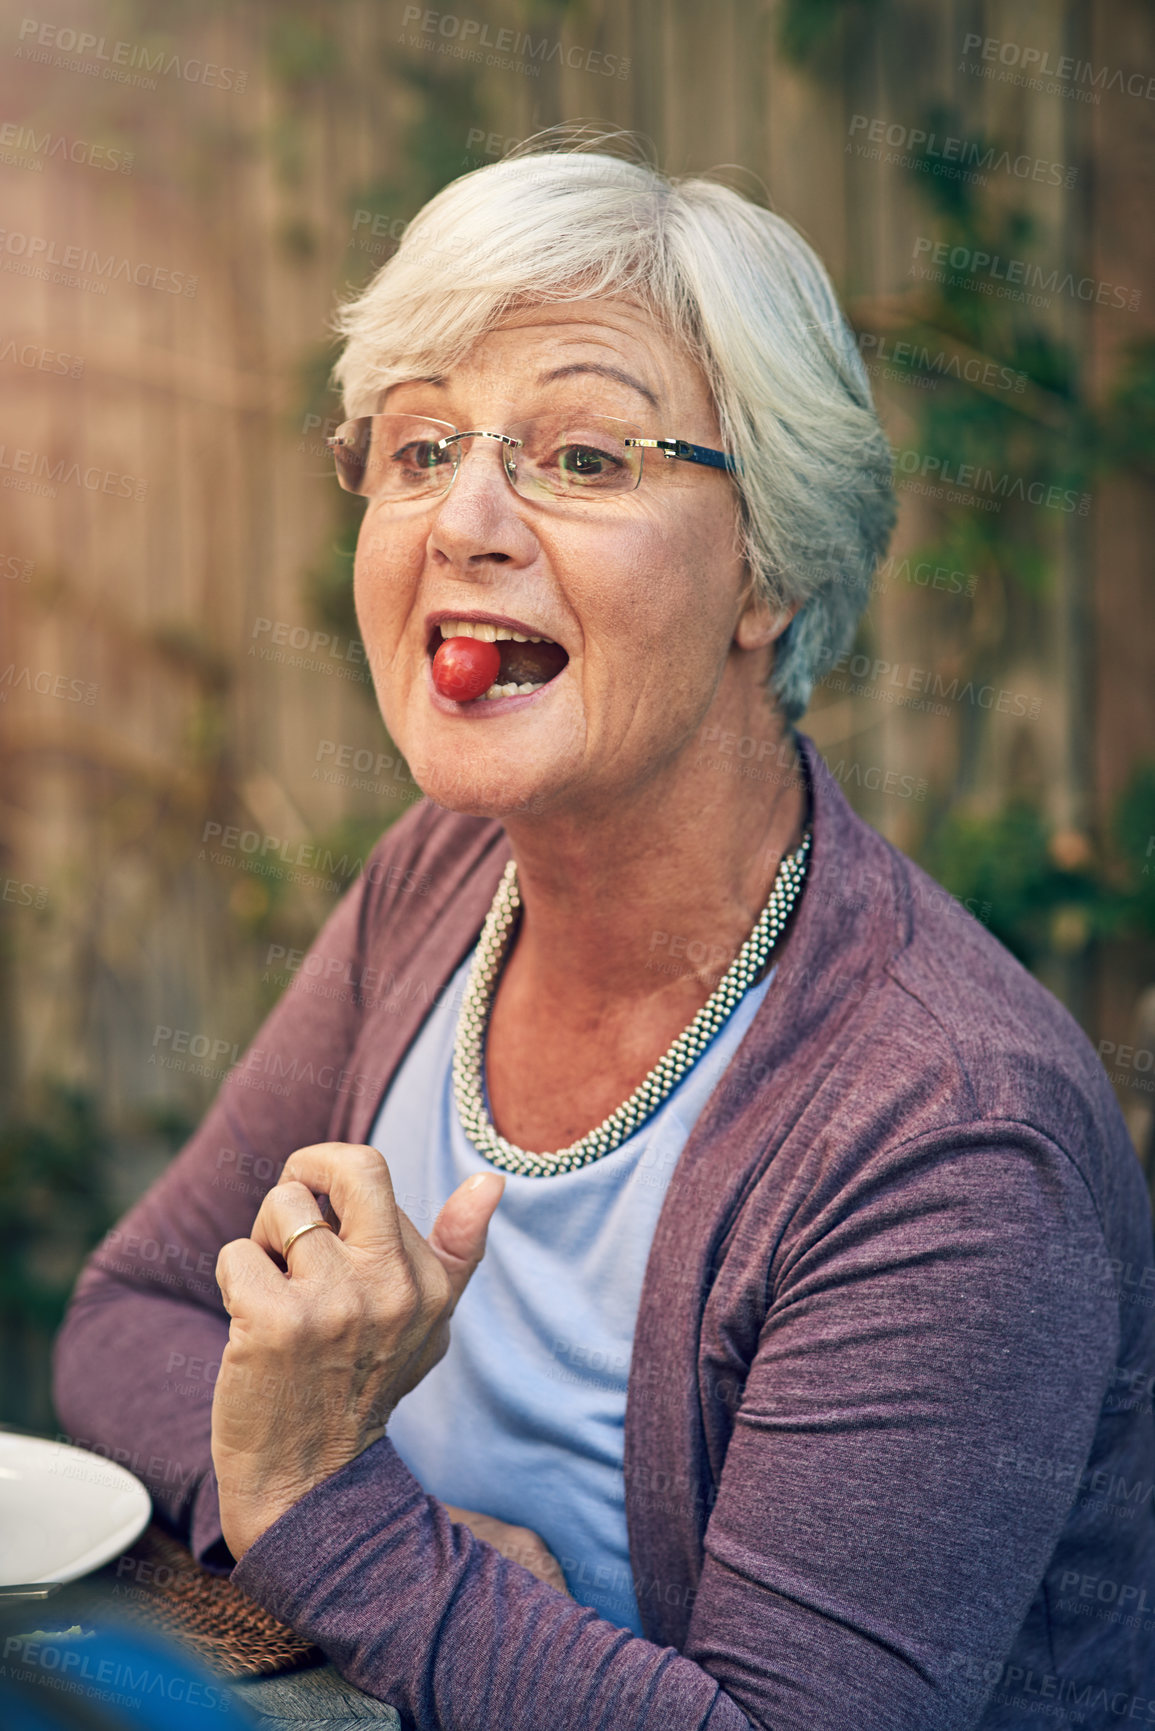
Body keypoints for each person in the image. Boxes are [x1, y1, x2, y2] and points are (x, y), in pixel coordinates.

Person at [54, 140, 1155, 1731]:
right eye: (420, 445)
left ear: (762, 569)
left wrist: (341, 1530)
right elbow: (126, 1319)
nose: (464, 520)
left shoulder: (952, 1134)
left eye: (583, 458)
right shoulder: (439, 881)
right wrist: (377, 1539)